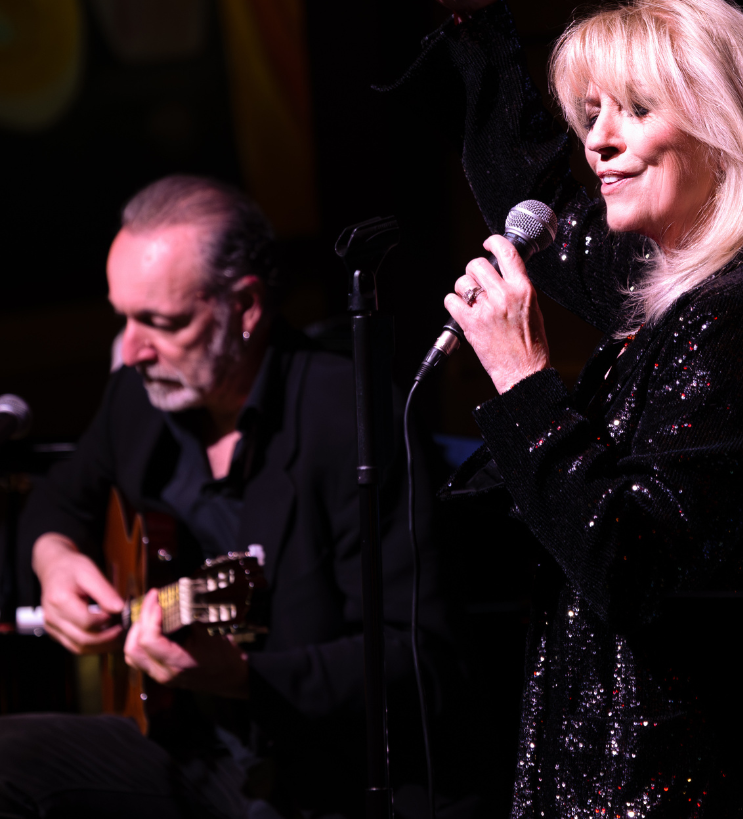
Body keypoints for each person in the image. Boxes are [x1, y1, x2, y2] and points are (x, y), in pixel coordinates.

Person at [376, 0, 743, 816]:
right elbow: (541, 198)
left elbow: (632, 564)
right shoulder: (671, 293)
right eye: (592, 113)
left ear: (725, 132)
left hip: (686, 779)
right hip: (606, 765)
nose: (599, 141)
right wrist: (481, 30)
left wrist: (524, 383)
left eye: (635, 113)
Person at [0, 176, 466, 818]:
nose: (131, 349)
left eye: (160, 323)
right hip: (179, 747)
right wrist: (55, 562)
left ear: (244, 308)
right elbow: (58, 497)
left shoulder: (350, 418)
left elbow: (417, 660)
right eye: (123, 317)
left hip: (324, 775)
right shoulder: (138, 399)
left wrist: (244, 678)